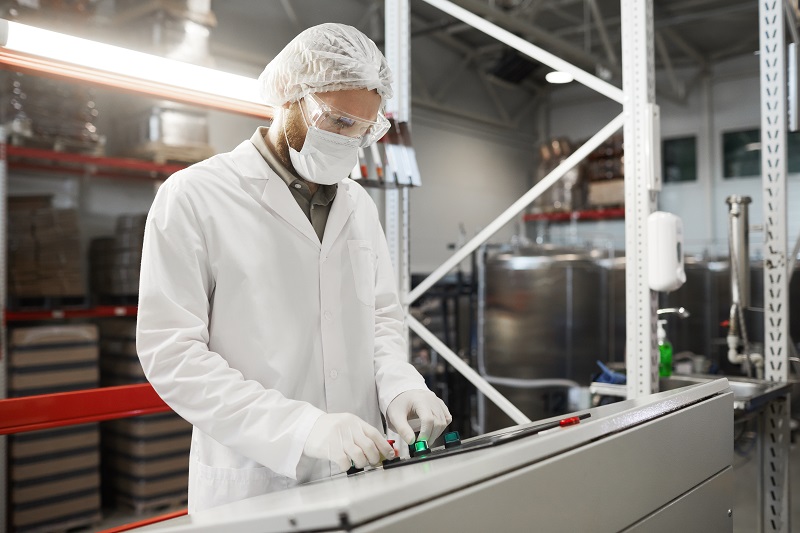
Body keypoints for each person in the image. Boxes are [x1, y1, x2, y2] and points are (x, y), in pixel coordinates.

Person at [136, 23, 452, 514]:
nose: (351, 142)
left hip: (360, 470)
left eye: (365, 130)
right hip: (255, 484)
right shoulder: (195, 196)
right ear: (288, 97)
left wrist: (400, 384)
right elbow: (172, 354)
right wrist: (301, 429)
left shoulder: (360, 206)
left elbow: (381, 320)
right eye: (338, 122)